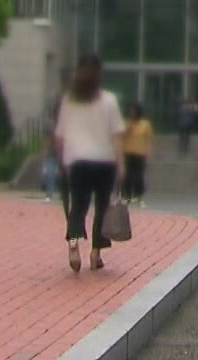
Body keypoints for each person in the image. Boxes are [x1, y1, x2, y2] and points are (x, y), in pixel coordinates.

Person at [54, 53, 126, 272]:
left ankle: (73, 246)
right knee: (102, 208)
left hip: (77, 161)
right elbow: (116, 135)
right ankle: (96, 253)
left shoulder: (69, 100)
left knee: (79, 206)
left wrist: (61, 160)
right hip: (104, 161)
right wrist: (121, 164)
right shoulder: (109, 100)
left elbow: (60, 135)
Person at [121, 102, 155, 207]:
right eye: (131, 111)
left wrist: (148, 152)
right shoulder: (125, 123)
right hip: (127, 152)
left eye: (134, 111)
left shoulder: (145, 124)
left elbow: (148, 139)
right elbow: (120, 136)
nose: (132, 113)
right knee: (127, 176)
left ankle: (139, 197)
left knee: (138, 176)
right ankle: (126, 196)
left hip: (140, 153)